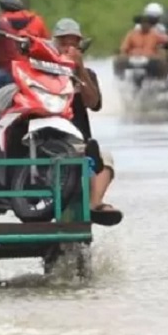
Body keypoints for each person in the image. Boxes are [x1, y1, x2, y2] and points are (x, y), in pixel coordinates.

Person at [52, 19, 123, 226]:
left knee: (105, 161)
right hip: (51, 140)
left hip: (79, 141)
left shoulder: (87, 75)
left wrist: (80, 69)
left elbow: (94, 103)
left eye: (73, 43)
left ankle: (94, 203)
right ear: (55, 44)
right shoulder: (45, 70)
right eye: (63, 43)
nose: (68, 48)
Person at [115, 11, 168, 78]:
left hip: (150, 58)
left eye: (147, 23)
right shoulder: (132, 34)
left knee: (162, 61)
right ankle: (119, 79)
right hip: (133, 57)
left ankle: (161, 80)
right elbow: (124, 47)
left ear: (150, 24)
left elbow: (166, 41)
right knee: (118, 61)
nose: (145, 25)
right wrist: (123, 53)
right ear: (140, 24)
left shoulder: (155, 35)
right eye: (143, 23)